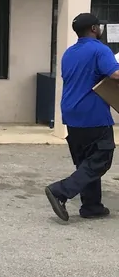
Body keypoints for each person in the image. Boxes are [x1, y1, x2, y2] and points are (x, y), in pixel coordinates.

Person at [46, 13, 119, 222]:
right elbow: (115, 74)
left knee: (86, 162)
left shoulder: (69, 53)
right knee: (100, 159)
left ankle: (91, 206)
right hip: (93, 114)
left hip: (71, 113)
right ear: (95, 29)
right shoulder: (99, 49)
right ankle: (60, 191)